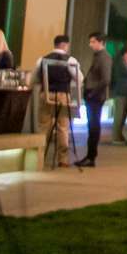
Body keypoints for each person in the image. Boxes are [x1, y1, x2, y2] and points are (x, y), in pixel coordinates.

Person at [33, 34, 83, 170]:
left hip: (46, 94)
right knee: (63, 128)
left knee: (43, 126)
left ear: (54, 44)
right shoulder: (70, 60)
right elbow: (79, 79)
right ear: (65, 45)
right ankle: (63, 159)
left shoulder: (42, 59)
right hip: (63, 95)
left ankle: (39, 157)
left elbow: (35, 79)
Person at [78, 32, 112, 168]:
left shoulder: (104, 57)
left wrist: (92, 92)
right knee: (91, 125)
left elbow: (105, 79)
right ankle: (89, 156)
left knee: (93, 126)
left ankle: (91, 157)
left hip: (96, 96)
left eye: (93, 42)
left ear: (100, 42)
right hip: (93, 95)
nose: (90, 44)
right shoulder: (98, 56)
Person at [110, 46, 127, 144]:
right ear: (125, 54)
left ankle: (119, 135)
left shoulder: (126, 63)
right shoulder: (120, 63)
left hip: (126, 92)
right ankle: (115, 137)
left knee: (123, 115)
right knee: (119, 115)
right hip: (121, 92)